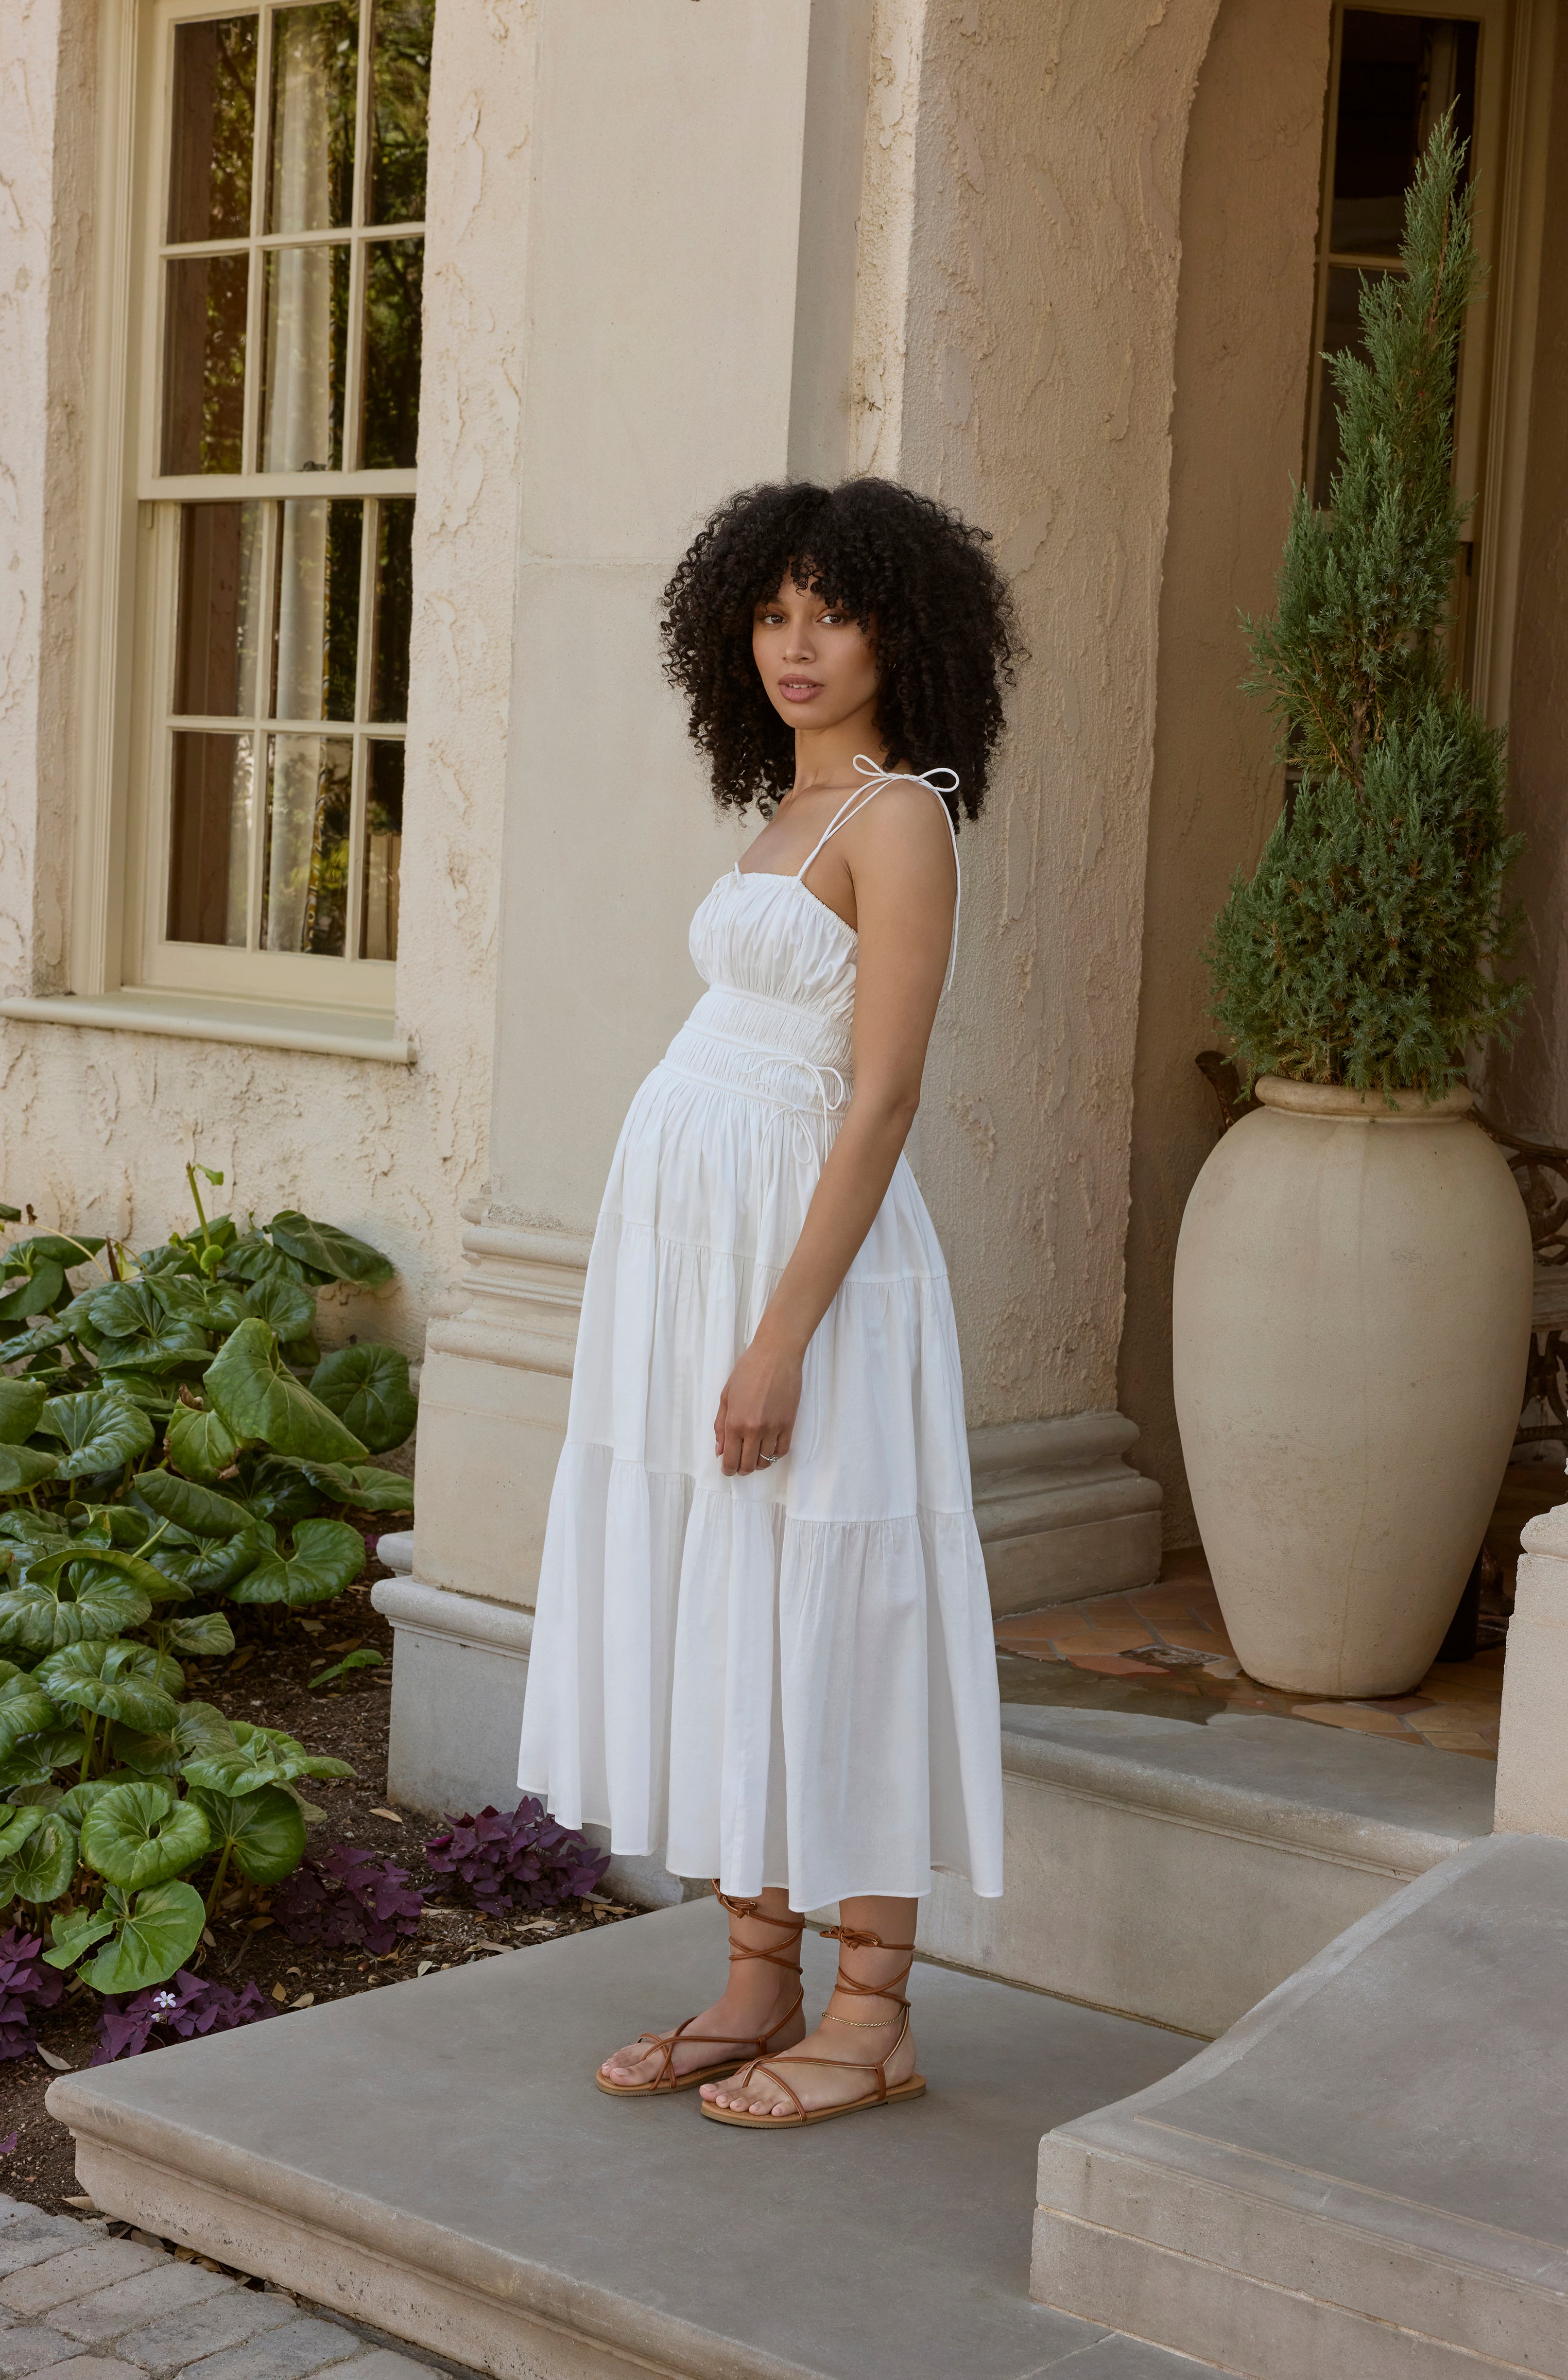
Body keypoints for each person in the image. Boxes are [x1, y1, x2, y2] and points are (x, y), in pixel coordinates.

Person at [517, 476, 1021, 2128]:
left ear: (902, 629)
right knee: (738, 1599)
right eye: (771, 615)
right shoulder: (789, 811)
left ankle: (869, 2017)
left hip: (816, 1281)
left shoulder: (898, 816)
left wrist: (778, 1337)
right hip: (705, 1259)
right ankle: (755, 1981)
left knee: (841, 1610)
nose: (797, 648)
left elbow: (879, 1101)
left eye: (833, 613)